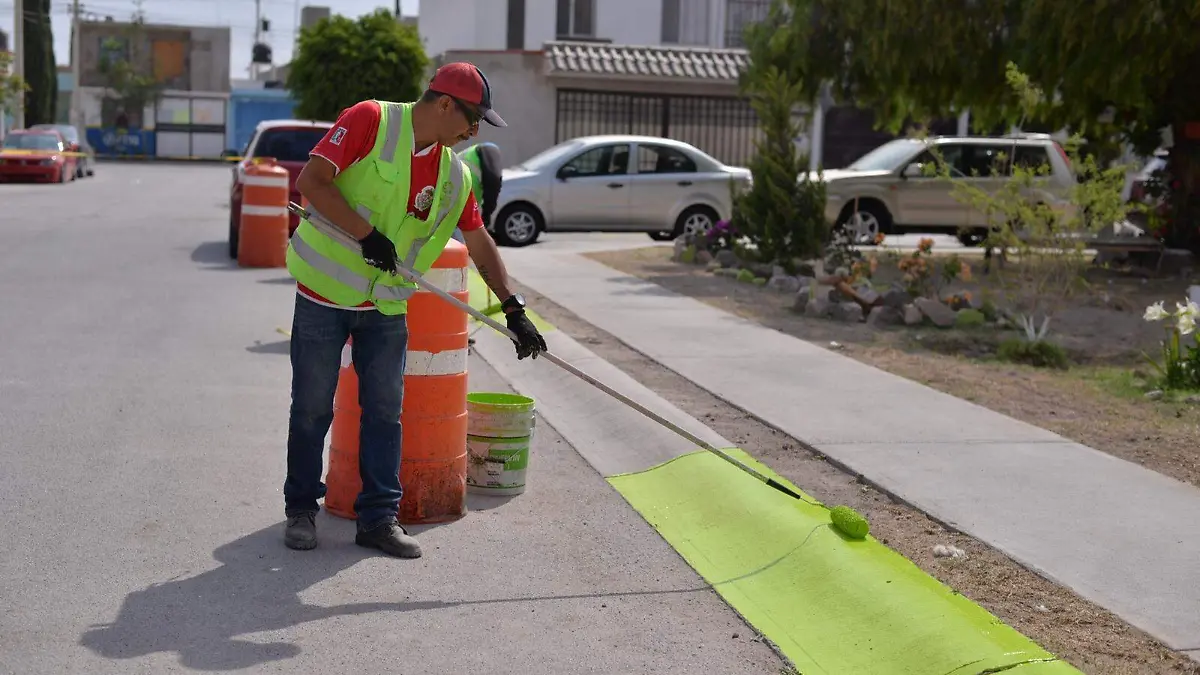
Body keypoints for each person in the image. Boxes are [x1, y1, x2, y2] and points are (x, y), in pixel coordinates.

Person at [282, 62, 548, 559]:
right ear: (445, 103)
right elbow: (313, 184)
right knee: (314, 405)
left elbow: (478, 240)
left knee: (385, 411)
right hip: (324, 294)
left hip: (384, 305)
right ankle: (300, 508)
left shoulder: (455, 174)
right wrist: (367, 235)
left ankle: (379, 518)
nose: (473, 131)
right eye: (473, 118)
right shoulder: (369, 120)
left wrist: (512, 308)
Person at [452, 141, 503, 242]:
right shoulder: (488, 151)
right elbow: (494, 181)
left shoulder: (469, 155)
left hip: (455, 208)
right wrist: (487, 215)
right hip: (455, 208)